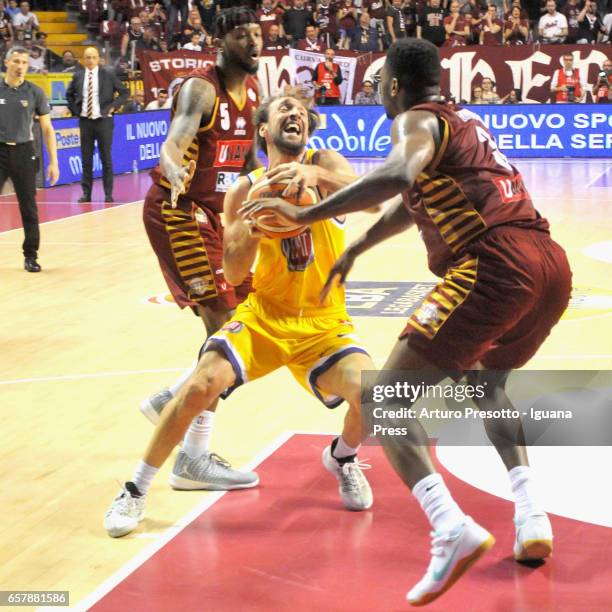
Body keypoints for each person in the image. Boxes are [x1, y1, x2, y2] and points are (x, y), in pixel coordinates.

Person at [244, 38, 570, 605]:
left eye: (377, 86)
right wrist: (359, 246)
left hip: (493, 265)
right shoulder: (460, 118)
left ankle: (449, 527)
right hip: (548, 265)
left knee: (382, 402)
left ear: (395, 85)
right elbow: (410, 199)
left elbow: (397, 176)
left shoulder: (416, 120)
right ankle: (532, 514)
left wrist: (305, 211)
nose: (374, 95)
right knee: (486, 387)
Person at [104, 92, 375, 538]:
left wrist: (313, 174)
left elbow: (370, 201)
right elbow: (232, 272)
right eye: (284, 108)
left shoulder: (325, 162)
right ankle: (136, 489)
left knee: (375, 395)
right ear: (264, 129)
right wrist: (250, 230)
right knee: (199, 384)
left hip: (325, 323)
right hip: (264, 318)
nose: (296, 114)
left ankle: (342, 457)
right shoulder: (244, 190)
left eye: (302, 111)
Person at [136, 8, 263, 492]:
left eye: (256, 34)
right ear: (218, 39)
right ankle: (193, 457)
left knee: (246, 317)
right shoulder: (201, 89)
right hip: (176, 210)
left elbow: (249, 161)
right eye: (240, 35)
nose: (252, 43)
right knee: (225, 325)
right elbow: (174, 142)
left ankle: (172, 397)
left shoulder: (251, 93)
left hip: (215, 215)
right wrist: (171, 165)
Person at [0, 46, 58, 272]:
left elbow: (47, 129)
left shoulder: (35, 92)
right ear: (6, 63)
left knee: (29, 207)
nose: (20, 66)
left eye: (24, 62)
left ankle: (31, 255)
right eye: (16, 61)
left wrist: (54, 161)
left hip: (24, 153)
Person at [66, 46, 128, 203]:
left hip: (104, 121)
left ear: (98, 59)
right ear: (83, 60)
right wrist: (76, 110)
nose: (91, 60)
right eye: (88, 57)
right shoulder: (78, 76)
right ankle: (86, 194)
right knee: (86, 159)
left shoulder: (108, 75)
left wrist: (113, 106)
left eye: (93, 57)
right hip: (85, 121)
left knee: (105, 157)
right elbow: (69, 95)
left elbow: (125, 92)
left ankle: (108, 193)